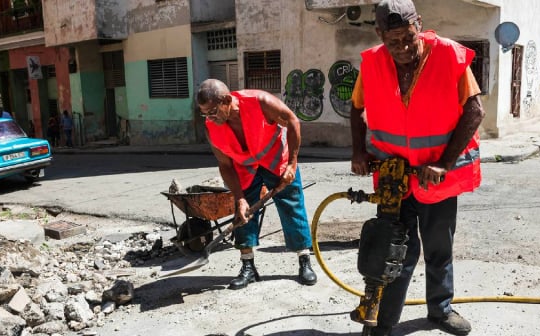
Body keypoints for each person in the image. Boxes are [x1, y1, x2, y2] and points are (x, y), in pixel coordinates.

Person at [349, 1, 485, 335]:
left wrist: (444, 163)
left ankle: (440, 310)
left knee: (439, 246)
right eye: (393, 42)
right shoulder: (372, 63)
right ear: (380, 34)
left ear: (419, 25)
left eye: (409, 38)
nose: (403, 48)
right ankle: (382, 321)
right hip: (393, 177)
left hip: (435, 177)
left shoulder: (449, 56)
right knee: (393, 251)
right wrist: (358, 152)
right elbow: (357, 109)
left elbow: (474, 110)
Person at [196, 78, 317, 290]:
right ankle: (248, 267)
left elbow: (293, 121)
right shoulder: (211, 128)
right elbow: (225, 166)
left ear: (226, 100)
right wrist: (240, 198)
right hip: (245, 168)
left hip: (275, 159)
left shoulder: (259, 101)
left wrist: (292, 164)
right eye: (204, 113)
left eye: (212, 112)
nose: (209, 118)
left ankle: (304, 260)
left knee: (292, 206)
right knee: (242, 214)